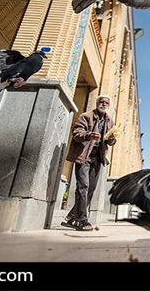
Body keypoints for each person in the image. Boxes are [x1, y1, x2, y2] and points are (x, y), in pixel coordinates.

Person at [62, 94, 116, 231]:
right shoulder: (86, 116)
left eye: (106, 103)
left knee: (90, 188)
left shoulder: (110, 121)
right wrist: (88, 135)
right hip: (83, 156)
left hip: (98, 158)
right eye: (102, 102)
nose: (104, 104)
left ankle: (71, 217)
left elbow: (111, 141)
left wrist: (111, 139)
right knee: (83, 186)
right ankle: (82, 220)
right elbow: (76, 133)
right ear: (97, 103)